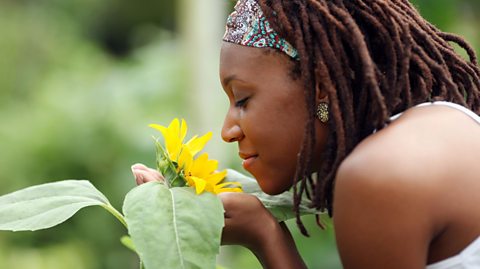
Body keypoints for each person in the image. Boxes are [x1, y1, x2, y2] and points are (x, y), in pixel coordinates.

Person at [132, 0, 480, 268]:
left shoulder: (378, 176)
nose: (227, 131)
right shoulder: (446, 123)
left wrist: (265, 236)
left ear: (320, 87)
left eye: (242, 99)